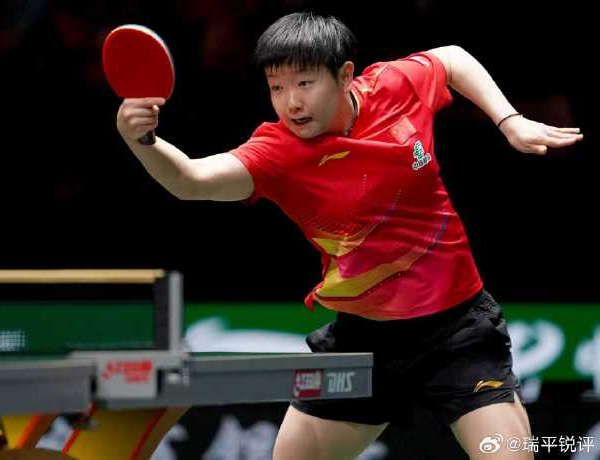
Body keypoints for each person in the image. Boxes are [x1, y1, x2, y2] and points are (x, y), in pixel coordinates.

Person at [115, 12, 583, 460]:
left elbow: (453, 58)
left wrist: (509, 120)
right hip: (363, 341)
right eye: (277, 87)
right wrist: (144, 141)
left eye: (304, 83)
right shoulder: (278, 152)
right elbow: (191, 180)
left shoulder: (393, 86)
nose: (291, 102)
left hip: (458, 330)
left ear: (344, 75)